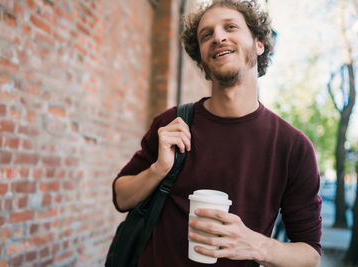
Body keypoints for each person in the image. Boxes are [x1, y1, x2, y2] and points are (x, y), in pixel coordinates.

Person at [112, 0, 322, 266]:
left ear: (259, 44)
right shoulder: (173, 123)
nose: (218, 37)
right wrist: (158, 169)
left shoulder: (292, 146)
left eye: (230, 27)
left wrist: (258, 246)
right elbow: (121, 197)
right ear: (201, 58)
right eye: (206, 34)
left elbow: (310, 254)